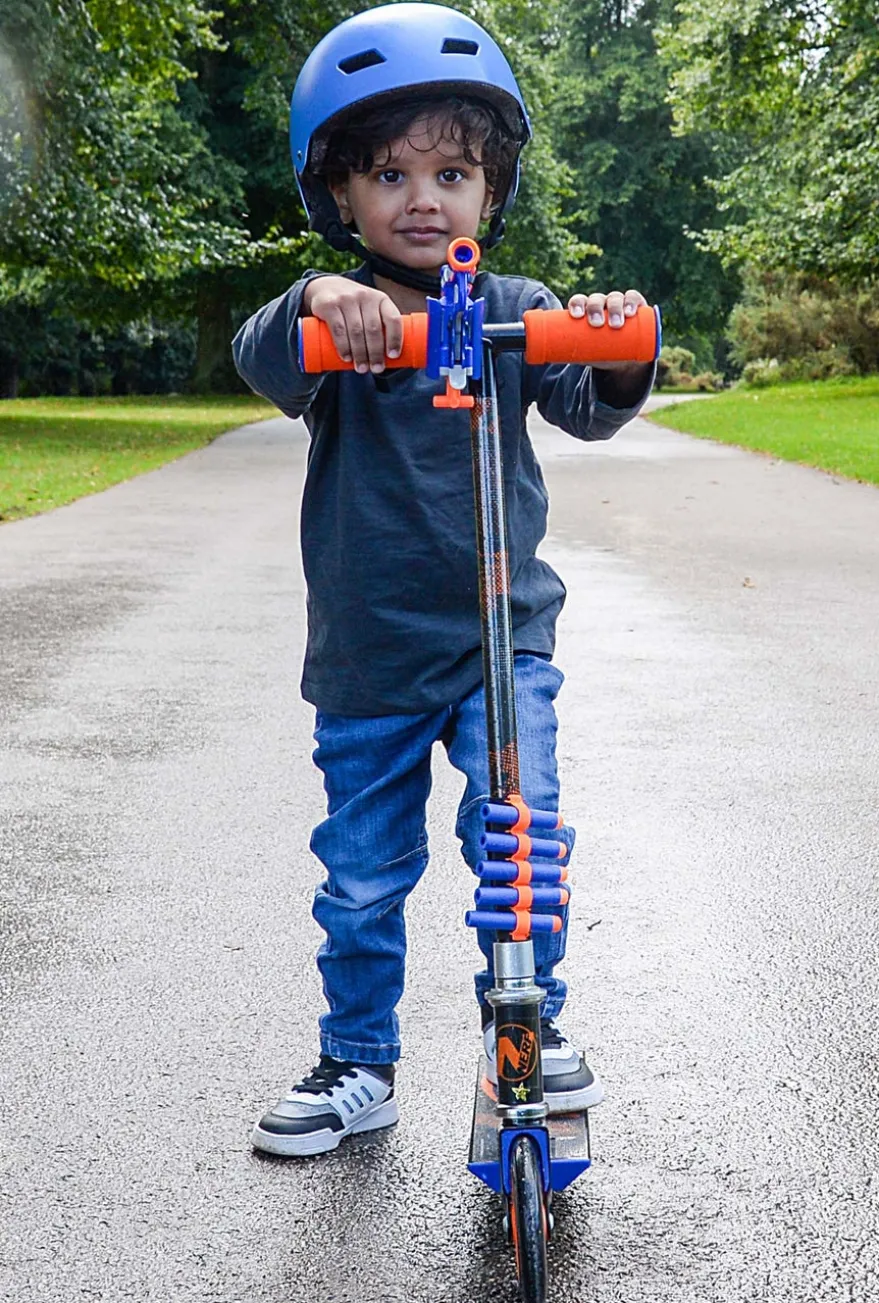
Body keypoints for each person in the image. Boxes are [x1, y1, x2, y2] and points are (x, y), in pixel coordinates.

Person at [233, 2, 655, 1158]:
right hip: (369, 661)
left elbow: (589, 404)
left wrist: (615, 342)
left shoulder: (514, 312)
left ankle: (528, 1030)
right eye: (389, 173)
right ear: (342, 198)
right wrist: (320, 302)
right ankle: (358, 1060)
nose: (424, 197)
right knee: (363, 880)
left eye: (454, 171)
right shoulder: (338, 321)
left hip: (498, 647)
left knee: (519, 837)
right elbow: (259, 354)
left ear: (489, 189)